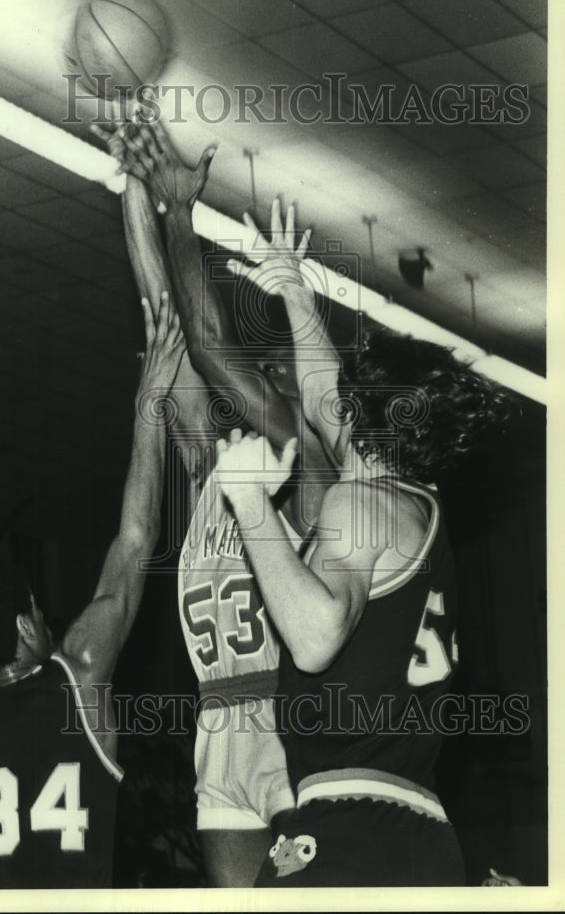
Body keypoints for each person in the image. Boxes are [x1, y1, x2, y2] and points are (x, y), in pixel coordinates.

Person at [212, 232, 512, 885]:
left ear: (358, 415)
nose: (331, 399)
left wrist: (250, 504)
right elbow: (324, 396)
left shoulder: (360, 505)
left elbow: (315, 639)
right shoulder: (414, 506)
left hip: (350, 832)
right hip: (422, 835)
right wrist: (293, 290)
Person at [93, 115, 340, 885]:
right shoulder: (215, 469)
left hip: (287, 726)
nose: (255, 378)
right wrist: (134, 192)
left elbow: (203, 343)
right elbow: (167, 325)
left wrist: (177, 214)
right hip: (217, 731)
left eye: (264, 371)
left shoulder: (308, 463)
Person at [0, 298, 184, 888]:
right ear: (22, 626)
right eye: (36, 608)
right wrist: (152, 402)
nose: (46, 616)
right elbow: (135, 543)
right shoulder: (80, 676)